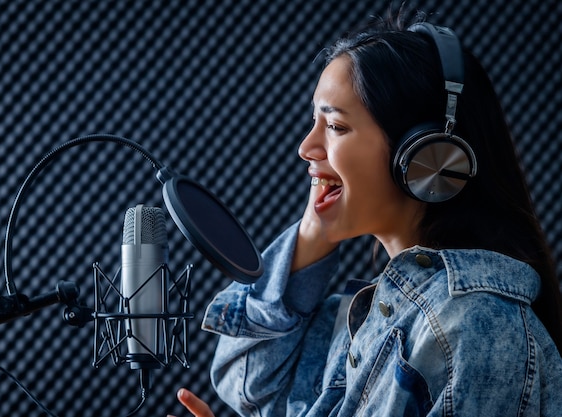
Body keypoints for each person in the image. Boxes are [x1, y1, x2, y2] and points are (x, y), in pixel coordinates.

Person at [172, 10, 562, 417]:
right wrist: (313, 231)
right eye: (314, 122)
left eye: (336, 127)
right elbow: (248, 383)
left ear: (425, 155)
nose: (306, 147)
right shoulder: (367, 318)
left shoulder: (475, 327)